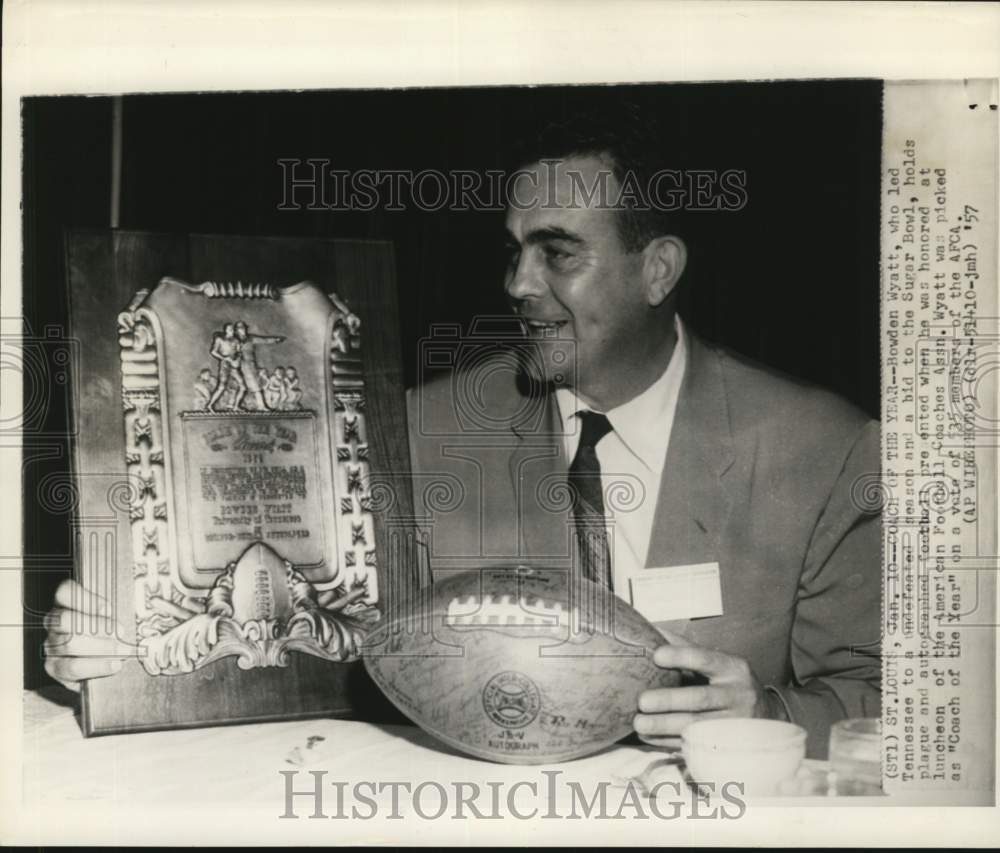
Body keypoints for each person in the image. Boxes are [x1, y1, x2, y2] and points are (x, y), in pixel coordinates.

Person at [44, 105, 879, 760]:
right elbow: (296, 643)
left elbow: (894, 698)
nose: (518, 282)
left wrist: (765, 713)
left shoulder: (824, 447)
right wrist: (121, 651)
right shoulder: (410, 431)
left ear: (658, 268)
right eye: (514, 251)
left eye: (558, 253)